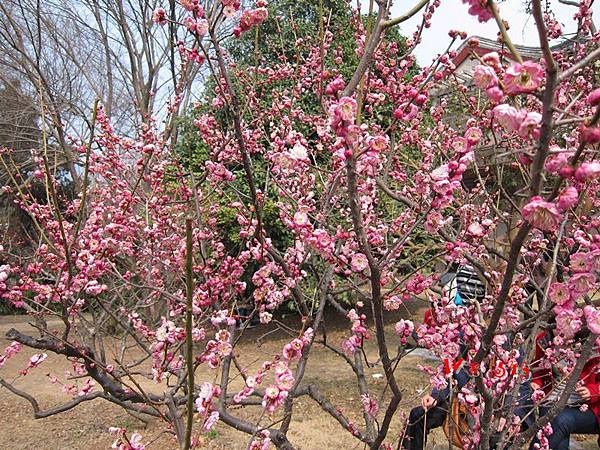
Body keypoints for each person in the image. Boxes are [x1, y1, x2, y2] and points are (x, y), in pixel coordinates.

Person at [530, 328, 600, 449]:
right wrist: (537, 382)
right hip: (553, 398)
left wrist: (593, 391)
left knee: (560, 420)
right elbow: (539, 368)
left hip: (590, 407)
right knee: (556, 434)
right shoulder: (546, 340)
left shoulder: (594, 342)